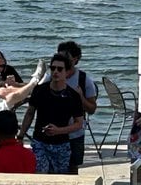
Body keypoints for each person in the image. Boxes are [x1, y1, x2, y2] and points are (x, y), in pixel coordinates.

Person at [18, 52, 85, 174]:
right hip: (40, 142)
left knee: (60, 179)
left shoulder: (73, 96)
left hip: (62, 144)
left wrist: (59, 130)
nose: (56, 72)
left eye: (60, 69)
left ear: (67, 72)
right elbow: (30, 113)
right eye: (53, 68)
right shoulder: (40, 90)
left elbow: (79, 123)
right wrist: (21, 135)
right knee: (40, 174)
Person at [57, 41, 98, 174]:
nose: (61, 62)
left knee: (73, 168)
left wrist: (80, 97)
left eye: (65, 58)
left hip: (75, 134)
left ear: (75, 59)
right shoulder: (51, 76)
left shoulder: (84, 80)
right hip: (54, 131)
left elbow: (92, 109)